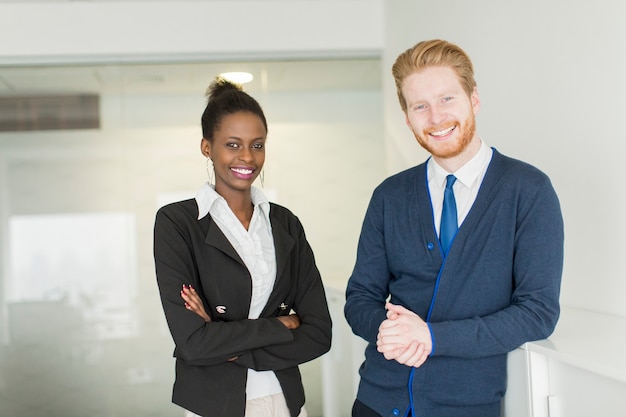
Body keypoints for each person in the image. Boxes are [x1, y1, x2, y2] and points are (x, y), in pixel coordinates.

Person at [344, 39, 564, 417]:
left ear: (473, 99)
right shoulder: (389, 196)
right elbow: (359, 299)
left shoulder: (527, 191)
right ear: (407, 115)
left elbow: (537, 312)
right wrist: (392, 330)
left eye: (447, 99)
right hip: (378, 401)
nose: (436, 117)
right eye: (420, 106)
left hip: (466, 404)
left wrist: (431, 337)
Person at [154, 78, 332, 417]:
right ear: (207, 146)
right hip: (213, 406)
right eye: (233, 145)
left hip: (286, 401)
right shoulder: (177, 223)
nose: (247, 157)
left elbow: (319, 333)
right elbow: (193, 343)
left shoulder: (286, 224)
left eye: (258, 145)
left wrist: (225, 339)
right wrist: (283, 325)